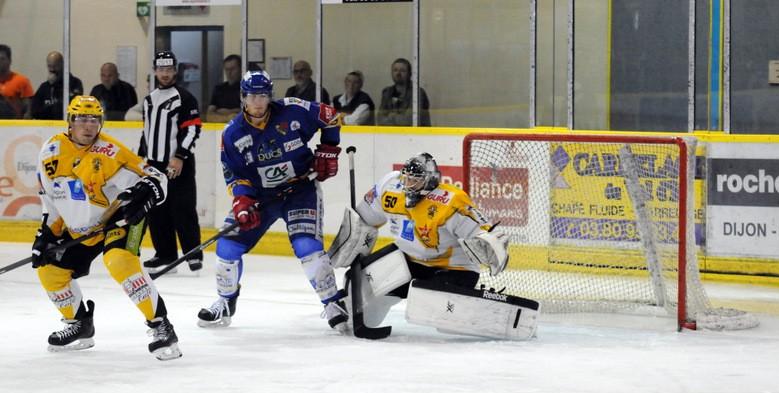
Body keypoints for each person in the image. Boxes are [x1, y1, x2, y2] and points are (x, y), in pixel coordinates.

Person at [32, 95, 182, 360]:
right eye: (82, 119)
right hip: (83, 226)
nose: (89, 125)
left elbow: (156, 177)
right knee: (49, 268)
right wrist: (47, 234)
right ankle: (79, 324)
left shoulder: (110, 151)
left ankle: (161, 326)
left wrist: (146, 191)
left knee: (119, 261)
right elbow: (51, 200)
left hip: (120, 218)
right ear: (70, 121)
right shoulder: (50, 151)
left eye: (94, 119)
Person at [197, 70, 347, 331]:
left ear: (270, 96)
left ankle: (333, 302)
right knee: (227, 247)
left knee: (307, 247)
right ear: (243, 97)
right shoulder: (232, 134)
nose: (257, 102)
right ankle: (225, 301)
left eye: (263, 96)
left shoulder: (293, 110)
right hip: (261, 197)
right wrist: (242, 201)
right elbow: (234, 174)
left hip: (299, 190)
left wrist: (329, 149)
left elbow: (331, 116)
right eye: (252, 96)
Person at [328, 153, 536, 340]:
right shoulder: (390, 187)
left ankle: (486, 311)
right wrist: (351, 245)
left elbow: (482, 232)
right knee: (361, 284)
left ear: (430, 180)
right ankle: (343, 311)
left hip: (454, 268)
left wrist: (490, 244)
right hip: (408, 262)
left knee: (428, 301)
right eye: (406, 178)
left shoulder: (450, 201)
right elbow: (364, 219)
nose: (408, 185)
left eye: (415, 180)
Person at [138, 51, 203, 273]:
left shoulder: (185, 98)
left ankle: (193, 254)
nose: (165, 74)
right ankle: (165, 254)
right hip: (154, 165)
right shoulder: (149, 99)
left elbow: (193, 129)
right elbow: (147, 132)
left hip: (178, 164)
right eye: (161, 69)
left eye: (168, 69)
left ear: (175, 70)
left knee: (183, 209)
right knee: (157, 211)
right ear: (155, 71)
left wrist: (180, 156)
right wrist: (141, 158)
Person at [376, 58, 431, 127]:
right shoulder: (387, 92)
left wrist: (392, 116)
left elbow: (410, 120)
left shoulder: (417, 93)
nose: (398, 73)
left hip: (415, 133)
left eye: (402, 70)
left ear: (410, 74)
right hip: (391, 133)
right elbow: (380, 119)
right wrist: (399, 118)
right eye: (395, 70)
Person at [30, 51, 83, 120]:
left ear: (63, 65)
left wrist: (55, 86)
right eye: (49, 66)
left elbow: (68, 108)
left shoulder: (75, 83)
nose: (52, 69)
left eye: (55, 66)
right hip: (48, 124)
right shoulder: (44, 87)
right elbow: (35, 111)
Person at [0, 44, 34, 119]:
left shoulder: (22, 81)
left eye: (2, 59)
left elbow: (29, 110)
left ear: (10, 61)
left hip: (14, 123)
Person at [206, 54, 242, 123]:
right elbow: (209, 116)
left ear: (241, 69)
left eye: (232, 69)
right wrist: (229, 116)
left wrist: (221, 111)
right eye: (227, 69)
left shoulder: (246, 89)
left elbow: (249, 114)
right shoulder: (219, 89)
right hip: (220, 128)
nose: (229, 73)